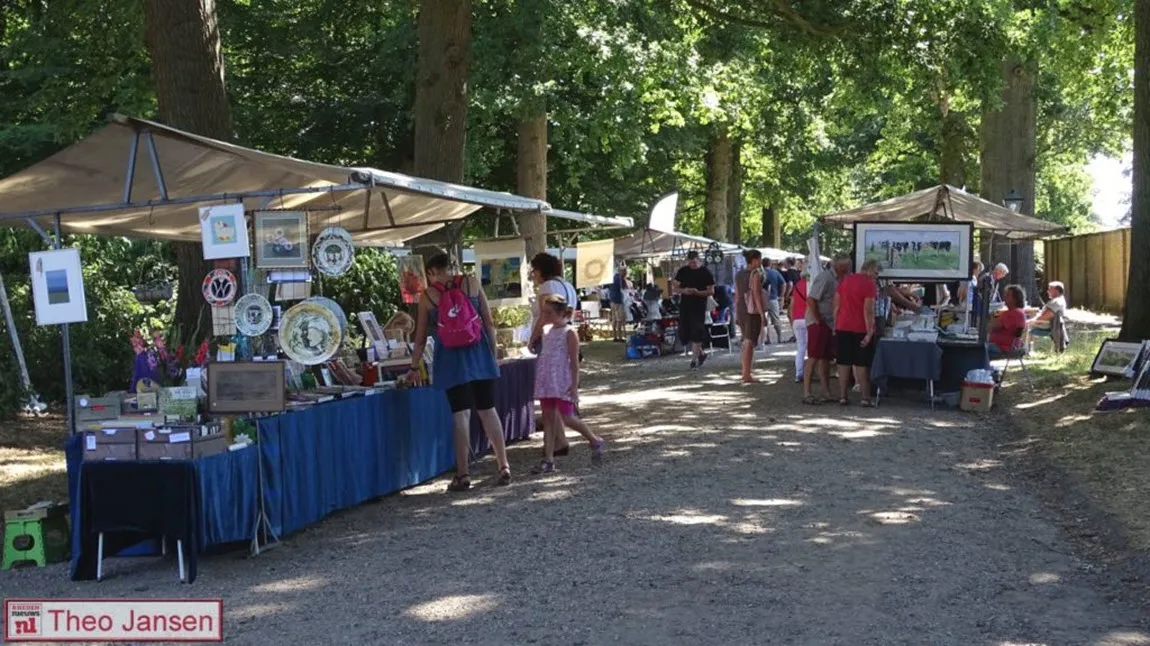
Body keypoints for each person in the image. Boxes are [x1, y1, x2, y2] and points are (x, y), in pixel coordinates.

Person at [408, 251, 510, 492]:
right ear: (450, 266)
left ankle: (463, 474)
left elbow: (420, 337)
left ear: (431, 272)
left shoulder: (428, 297)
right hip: (479, 355)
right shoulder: (471, 282)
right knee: (488, 410)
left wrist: (414, 366)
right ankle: (503, 465)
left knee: (460, 415)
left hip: (450, 361)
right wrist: (492, 355)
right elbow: (489, 322)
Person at [533, 294, 606, 473]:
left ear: (559, 312)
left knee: (567, 417)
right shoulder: (546, 331)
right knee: (548, 418)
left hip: (562, 381)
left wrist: (574, 386)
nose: (545, 316)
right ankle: (549, 459)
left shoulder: (569, 333)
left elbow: (574, 362)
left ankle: (594, 439)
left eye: (548, 312)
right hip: (547, 380)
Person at [527, 252, 579, 456]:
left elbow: (543, 317)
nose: (533, 275)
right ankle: (559, 439)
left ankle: (559, 440)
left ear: (541, 270)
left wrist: (532, 339)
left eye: (534, 271)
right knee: (556, 392)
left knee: (550, 393)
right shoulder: (566, 285)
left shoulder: (547, 287)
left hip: (550, 340)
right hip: (564, 338)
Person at [803, 255, 849, 404]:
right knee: (814, 357)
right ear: (837, 266)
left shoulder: (840, 278)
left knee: (826, 358)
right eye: (844, 268)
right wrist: (818, 320)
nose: (846, 271)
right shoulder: (825, 278)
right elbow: (811, 299)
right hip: (819, 321)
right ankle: (807, 392)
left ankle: (826, 392)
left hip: (829, 323)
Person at [834, 258, 879, 407]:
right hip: (860, 328)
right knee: (861, 363)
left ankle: (842, 396)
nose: (876, 276)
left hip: (842, 326)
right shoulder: (869, 285)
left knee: (843, 362)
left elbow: (836, 305)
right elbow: (869, 311)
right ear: (870, 269)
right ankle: (865, 397)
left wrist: (835, 324)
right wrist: (869, 332)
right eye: (876, 272)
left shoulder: (845, 280)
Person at [673, 250, 716, 369]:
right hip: (685, 306)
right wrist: (683, 291)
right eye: (690, 263)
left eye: (694, 262)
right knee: (685, 332)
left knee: (697, 331)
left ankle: (693, 360)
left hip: (699, 306)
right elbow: (675, 287)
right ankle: (701, 354)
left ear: (699, 260)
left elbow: (711, 291)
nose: (692, 265)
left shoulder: (706, 272)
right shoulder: (683, 271)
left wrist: (698, 292)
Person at [736, 249, 765, 384]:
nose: (760, 262)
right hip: (751, 311)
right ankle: (747, 373)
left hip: (741, 309)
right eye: (759, 259)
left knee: (746, 341)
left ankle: (745, 371)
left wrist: (737, 313)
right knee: (749, 342)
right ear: (754, 259)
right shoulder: (756, 274)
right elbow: (756, 295)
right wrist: (761, 314)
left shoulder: (739, 274)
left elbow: (737, 296)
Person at [988, 284, 1027, 358]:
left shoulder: (1014, 313)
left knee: (978, 349)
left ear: (1016, 298)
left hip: (1003, 348)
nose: (1004, 297)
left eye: (1008, 295)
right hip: (1002, 346)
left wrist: (992, 315)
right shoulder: (1014, 312)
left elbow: (992, 327)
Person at [790, 269, 809, 384]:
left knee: (800, 347)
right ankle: (809, 373)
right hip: (808, 319)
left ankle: (799, 373)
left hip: (797, 320)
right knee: (811, 348)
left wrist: (792, 319)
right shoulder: (811, 286)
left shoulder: (797, 286)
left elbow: (792, 304)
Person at [763, 260, 786, 344]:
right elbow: (784, 283)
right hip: (773, 298)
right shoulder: (775, 272)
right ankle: (779, 338)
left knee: (764, 320)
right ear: (770, 264)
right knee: (776, 319)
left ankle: (767, 339)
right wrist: (782, 295)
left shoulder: (760, 273)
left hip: (762, 300)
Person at [609, 264, 630, 342]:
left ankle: (615, 336)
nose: (625, 273)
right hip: (618, 300)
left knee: (614, 318)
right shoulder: (621, 279)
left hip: (612, 300)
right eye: (625, 272)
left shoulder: (613, 277)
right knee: (619, 319)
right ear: (621, 271)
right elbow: (625, 289)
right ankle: (620, 337)